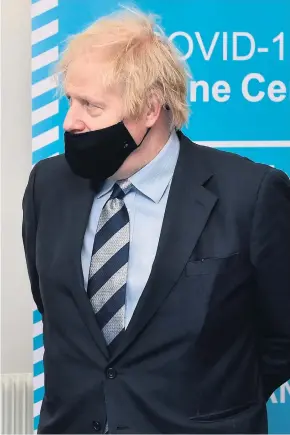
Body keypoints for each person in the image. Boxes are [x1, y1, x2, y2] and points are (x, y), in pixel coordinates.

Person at [22, 8, 290, 434]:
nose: (71, 121)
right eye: (70, 100)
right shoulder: (48, 186)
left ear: (149, 110)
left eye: (90, 105)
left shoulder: (251, 194)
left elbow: (281, 336)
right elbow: (55, 307)